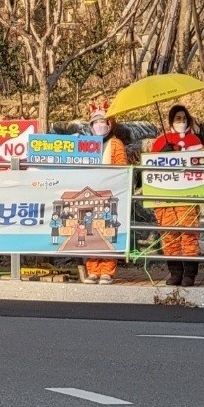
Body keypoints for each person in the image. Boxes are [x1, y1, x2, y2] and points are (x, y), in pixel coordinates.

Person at [149, 104, 204, 287]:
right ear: (171, 121)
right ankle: (175, 273)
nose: (181, 121)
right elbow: (149, 167)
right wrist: (161, 154)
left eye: (184, 118)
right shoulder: (160, 141)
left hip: (188, 195)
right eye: (178, 118)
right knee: (169, 234)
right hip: (165, 196)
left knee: (189, 233)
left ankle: (189, 274)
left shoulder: (195, 140)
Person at [84, 99, 127, 285]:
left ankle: (107, 270)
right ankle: (93, 269)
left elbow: (122, 168)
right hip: (89, 194)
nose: (99, 125)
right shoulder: (85, 145)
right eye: (96, 122)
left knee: (108, 232)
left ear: (110, 124)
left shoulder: (115, 144)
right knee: (90, 232)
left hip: (110, 194)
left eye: (103, 121)